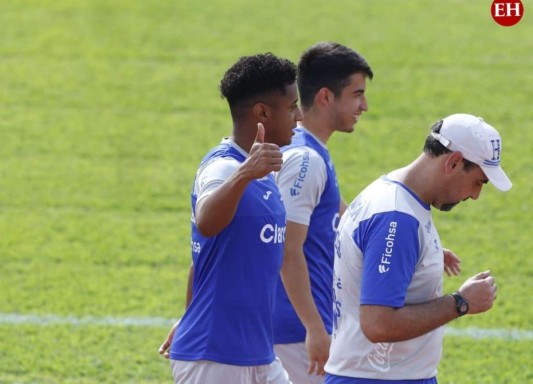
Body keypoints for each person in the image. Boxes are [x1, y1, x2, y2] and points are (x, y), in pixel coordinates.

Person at [325, 113, 512, 383]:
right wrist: (461, 302)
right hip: (376, 378)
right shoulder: (396, 218)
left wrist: (422, 256)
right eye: (478, 182)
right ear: (454, 161)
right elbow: (378, 324)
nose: (475, 195)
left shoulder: (392, 192)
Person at [162, 52, 301, 384]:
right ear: (262, 113)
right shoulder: (225, 166)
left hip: (258, 354)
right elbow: (207, 222)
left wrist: (188, 315)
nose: (299, 116)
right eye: (293, 106)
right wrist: (243, 175)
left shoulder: (261, 169)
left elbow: (203, 259)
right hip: (216, 358)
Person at [272, 42, 373, 384]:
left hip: (297, 326)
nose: (365, 106)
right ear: (326, 97)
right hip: (295, 331)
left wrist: (416, 243)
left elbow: (342, 216)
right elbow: (286, 248)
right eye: (357, 94)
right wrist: (314, 329)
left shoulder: (310, 150)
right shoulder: (306, 160)